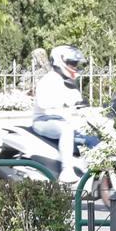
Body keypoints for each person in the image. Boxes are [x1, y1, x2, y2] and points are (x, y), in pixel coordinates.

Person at [32, 44, 91, 181]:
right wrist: (63, 102)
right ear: (61, 61)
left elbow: (79, 102)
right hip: (44, 121)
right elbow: (43, 103)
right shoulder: (48, 80)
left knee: (87, 134)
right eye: (72, 63)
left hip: (61, 121)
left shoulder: (68, 82)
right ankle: (67, 170)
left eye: (75, 63)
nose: (75, 66)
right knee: (66, 129)